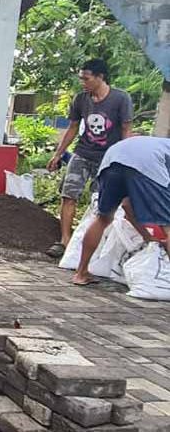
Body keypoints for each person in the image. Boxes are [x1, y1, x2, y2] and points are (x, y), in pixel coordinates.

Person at [46, 59, 133, 258]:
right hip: (82, 153)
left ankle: (87, 245)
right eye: (81, 79)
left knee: (98, 202)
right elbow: (73, 128)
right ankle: (65, 241)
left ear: (100, 77)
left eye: (86, 79)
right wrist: (58, 154)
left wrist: (124, 159)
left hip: (108, 158)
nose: (82, 83)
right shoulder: (81, 99)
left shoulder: (121, 99)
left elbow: (126, 130)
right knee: (69, 195)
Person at [73, 136, 170, 285]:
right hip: (147, 162)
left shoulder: (157, 143)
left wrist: (147, 236)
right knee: (167, 223)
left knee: (103, 218)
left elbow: (127, 206)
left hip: (112, 159)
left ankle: (81, 273)